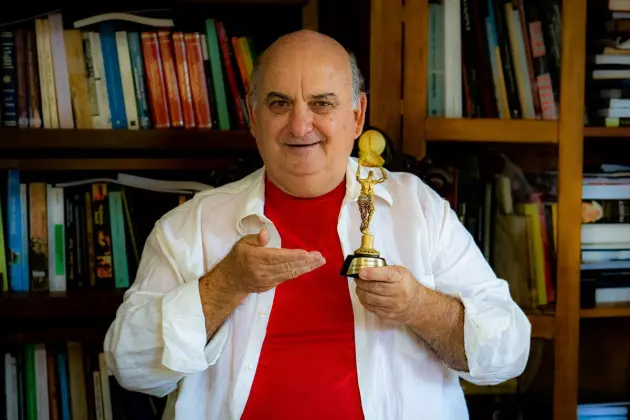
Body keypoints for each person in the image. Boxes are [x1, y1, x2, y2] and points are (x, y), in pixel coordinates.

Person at [103, 30, 531, 420]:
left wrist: (418, 306)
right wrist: (224, 286)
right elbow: (131, 368)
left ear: (357, 115)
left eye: (321, 103)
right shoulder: (188, 226)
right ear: (253, 116)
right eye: (279, 103)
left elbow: (508, 353)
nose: (300, 124)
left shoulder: (419, 209)